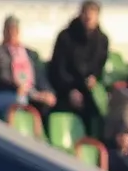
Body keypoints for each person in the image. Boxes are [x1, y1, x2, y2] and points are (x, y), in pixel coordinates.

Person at [48, 1, 109, 136]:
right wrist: (70, 90)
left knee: (98, 111)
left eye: (92, 17)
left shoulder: (102, 40)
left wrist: (94, 77)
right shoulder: (66, 37)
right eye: (86, 16)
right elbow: (58, 69)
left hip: (88, 89)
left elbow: (99, 65)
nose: (88, 20)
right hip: (65, 88)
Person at [0, 16, 56, 119]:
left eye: (14, 30)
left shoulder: (31, 54)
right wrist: (17, 86)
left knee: (48, 103)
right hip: (9, 91)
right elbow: (1, 75)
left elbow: (40, 77)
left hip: (32, 91)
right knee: (20, 101)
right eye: (9, 30)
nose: (12, 34)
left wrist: (47, 91)